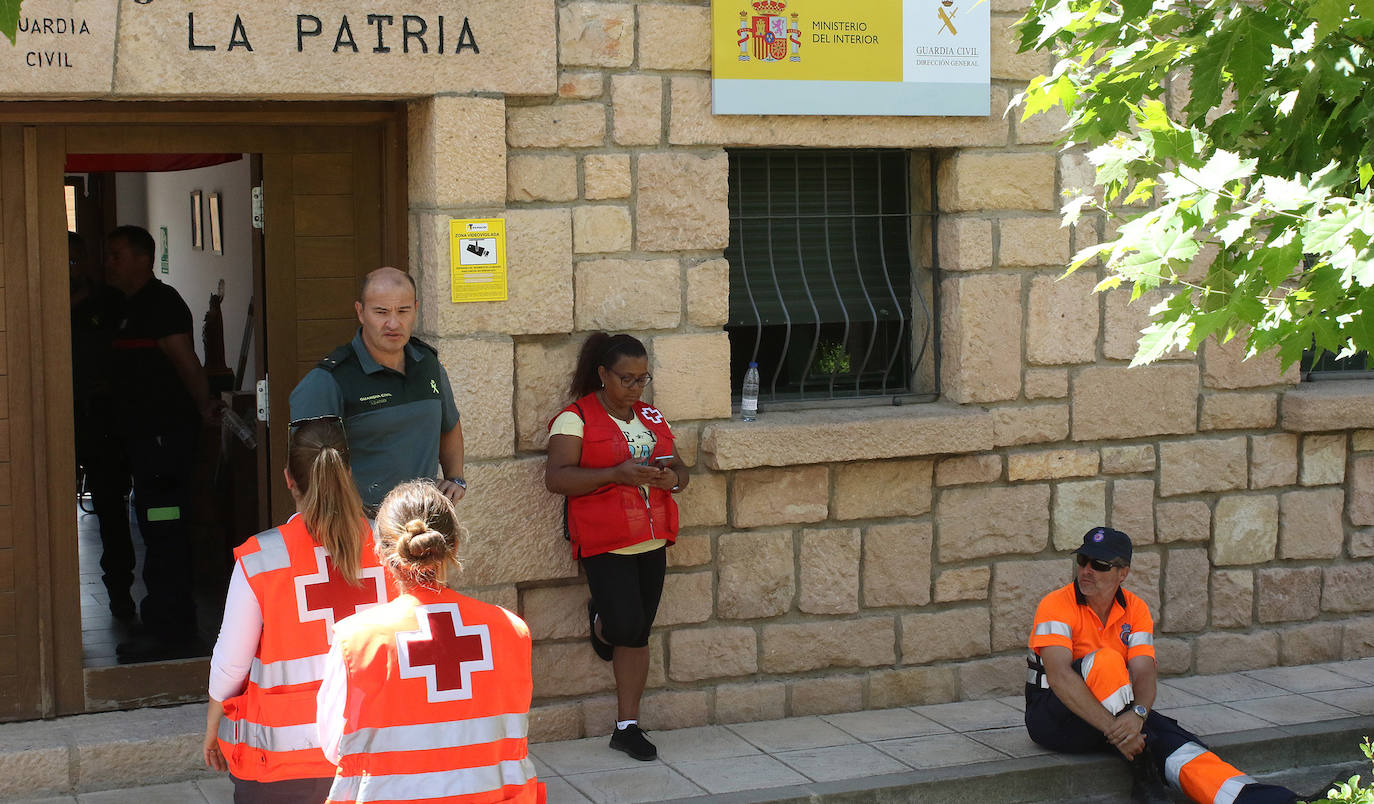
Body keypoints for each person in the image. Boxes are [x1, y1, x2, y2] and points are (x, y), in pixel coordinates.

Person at [1026, 527, 1296, 804]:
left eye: (1100, 565)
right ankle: (1143, 773)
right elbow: (1059, 677)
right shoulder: (1056, 604)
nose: (1086, 570)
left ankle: (1267, 799)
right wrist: (1118, 729)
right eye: (1083, 560)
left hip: (1108, 714)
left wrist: (1138, 715)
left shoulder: (1136, 609)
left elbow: (1143, 671)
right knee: (1106, 661)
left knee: (1177, 744)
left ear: (1123, 573)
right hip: (1054, 718)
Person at [316, 480, 544, 803]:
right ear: (454, 547)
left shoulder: (356, 641)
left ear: (381, 552)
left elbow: (333, 746)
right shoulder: (511, 630)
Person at [203, 417, 393, 803]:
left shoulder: (260, 559)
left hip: (280, 768)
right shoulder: (390, 546)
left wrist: (212, 725)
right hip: (373, 755)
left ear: (289, 479)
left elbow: (230, 665)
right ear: (348, 473)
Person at [543, 333, 688, 762]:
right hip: (605, 539)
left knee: (639, 632)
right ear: (603, 374)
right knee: (625, 628)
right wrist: (615, 475)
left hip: (652, 537)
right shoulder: (575, 419)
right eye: (626, 378)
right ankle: (602, 621)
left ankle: (627, 726)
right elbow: (557, 479)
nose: (635, 388)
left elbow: (680, 468)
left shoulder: (651, 416)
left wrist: (672, 479)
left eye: (642, 379)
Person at [104, 225, 220, 658]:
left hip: (163, 443)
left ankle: (172, 631)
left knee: (166, 527)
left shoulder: (161, 303)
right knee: (154, 528)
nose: (109, 262)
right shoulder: (125, 306)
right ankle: (160, 618)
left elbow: (187, 364)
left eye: (117, 255)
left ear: (142, 259)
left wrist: (205, 406)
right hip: (142, 440)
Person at [288, 267, 465, 512]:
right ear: (360, 312)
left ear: (415, 308)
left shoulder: (428, 365)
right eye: (381, 312)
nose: (393, 323)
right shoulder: (329, 380)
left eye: (403, 311)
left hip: (424, 525)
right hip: (361, 530)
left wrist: (456, 478)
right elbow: (306, 466)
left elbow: (449, 426)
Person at [69, 231, 134, 620]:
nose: (70, 269)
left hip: (103, 417)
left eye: (76, 261)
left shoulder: (110, 301)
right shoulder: (38, 299)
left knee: (111, 506)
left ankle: (120, 593)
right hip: (55, 418)